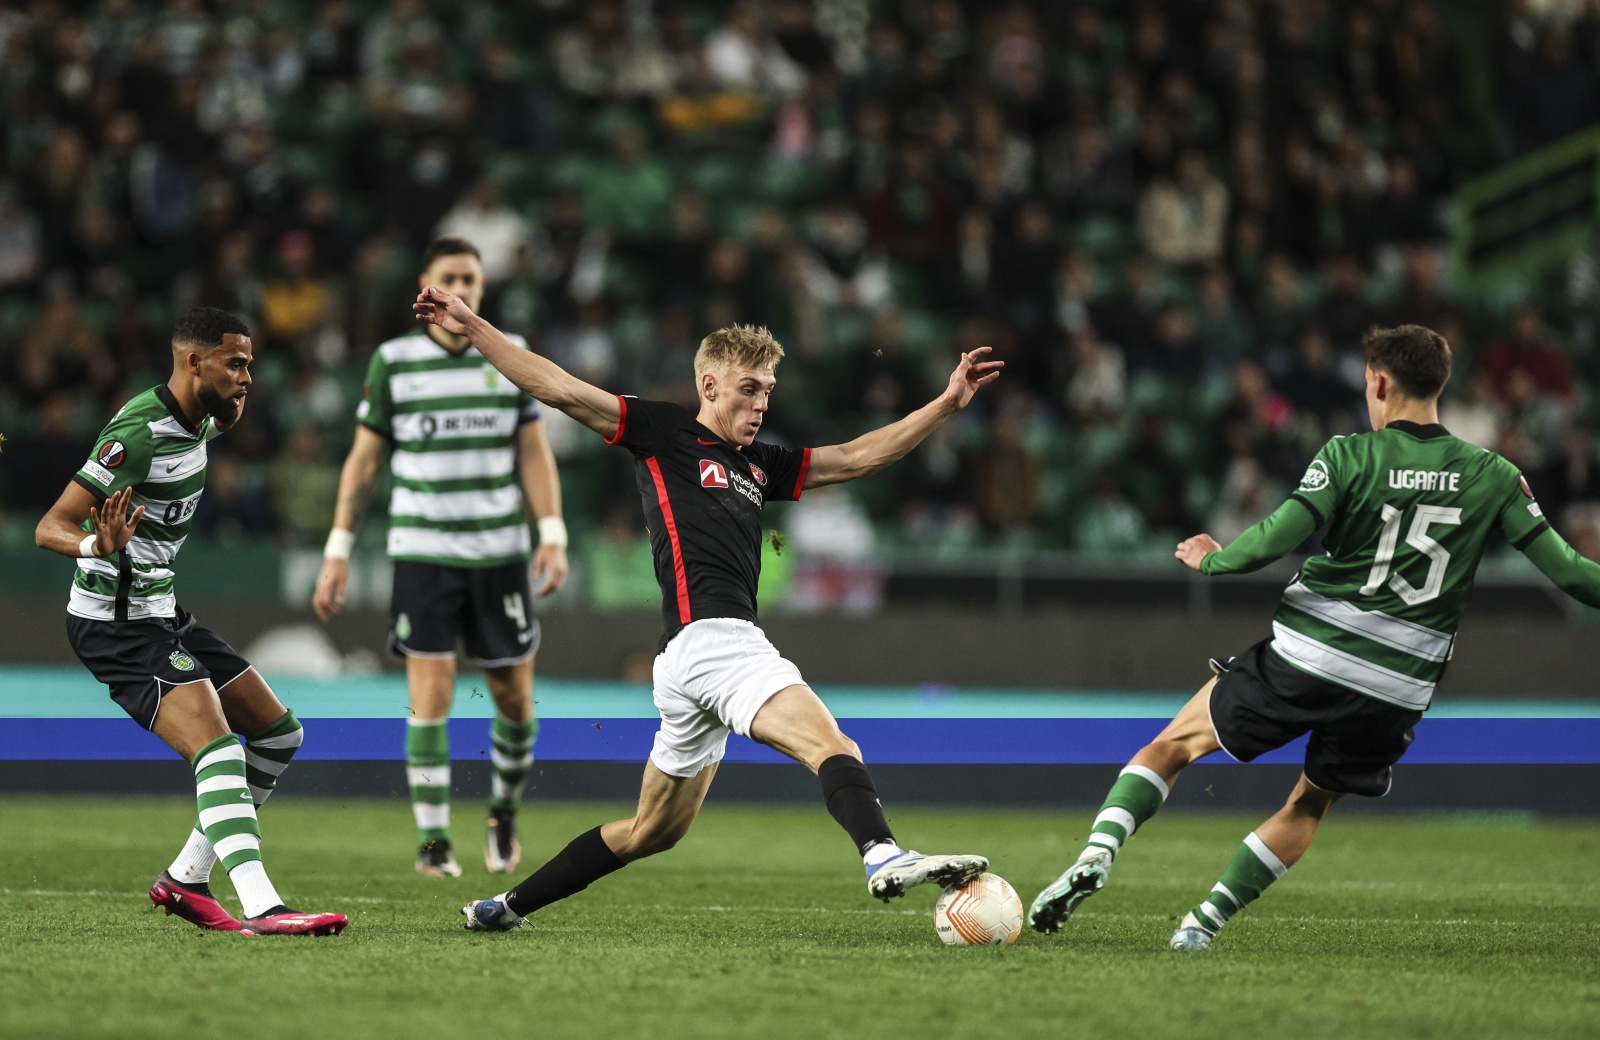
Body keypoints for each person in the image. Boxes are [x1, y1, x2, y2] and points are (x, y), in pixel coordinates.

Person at [409, 286, 1002, 932]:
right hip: (717, 643)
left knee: (649, 832)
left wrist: (945, 404)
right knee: (833, 742)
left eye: (768, 391)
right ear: (710, 384)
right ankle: (882, 853)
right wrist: (472, 326)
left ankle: (506, 906)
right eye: (748, 389)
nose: (760, 403)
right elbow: (557, 387)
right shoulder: (664, 433)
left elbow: (857, 458)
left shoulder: (762, 465)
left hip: (686, 661)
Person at [1028, 324, 1600, 951]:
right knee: (1308, 805)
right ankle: (1201, 925)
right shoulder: (1493, 474)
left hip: (1312, 652)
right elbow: (1572, 574)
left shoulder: (1348, 455)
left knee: (1172, 746)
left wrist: (1214, 560)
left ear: (1380, 382)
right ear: (1440, 384)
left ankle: (1099, 852)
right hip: (1397, 685)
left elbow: (1272, 538)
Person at [35, 307, 347, 937]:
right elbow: (51, 526)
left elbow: (217, 421)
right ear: (192, 361)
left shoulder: (203, 419)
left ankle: (184, 879)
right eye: (236, 363)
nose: (248, 377)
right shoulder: (139, 431)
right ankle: (263, 906)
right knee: (219, 747)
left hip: (162, 610)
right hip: (116, 623)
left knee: (279, 735)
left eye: (251, 365)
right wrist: (98, 546)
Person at [313, 237, 568, 878]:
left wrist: (553, 532)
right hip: (423, 552)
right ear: (427, 285)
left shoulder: (508, 355)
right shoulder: (394, 362)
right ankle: (433, 842)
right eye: (451, 275)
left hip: (500, 554)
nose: (463, 287)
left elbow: (533, 453)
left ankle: (502, 814)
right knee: (431, 697)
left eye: (472, 279)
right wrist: (338, 548)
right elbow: (364, 462)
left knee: (514, 697)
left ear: (481, 289)